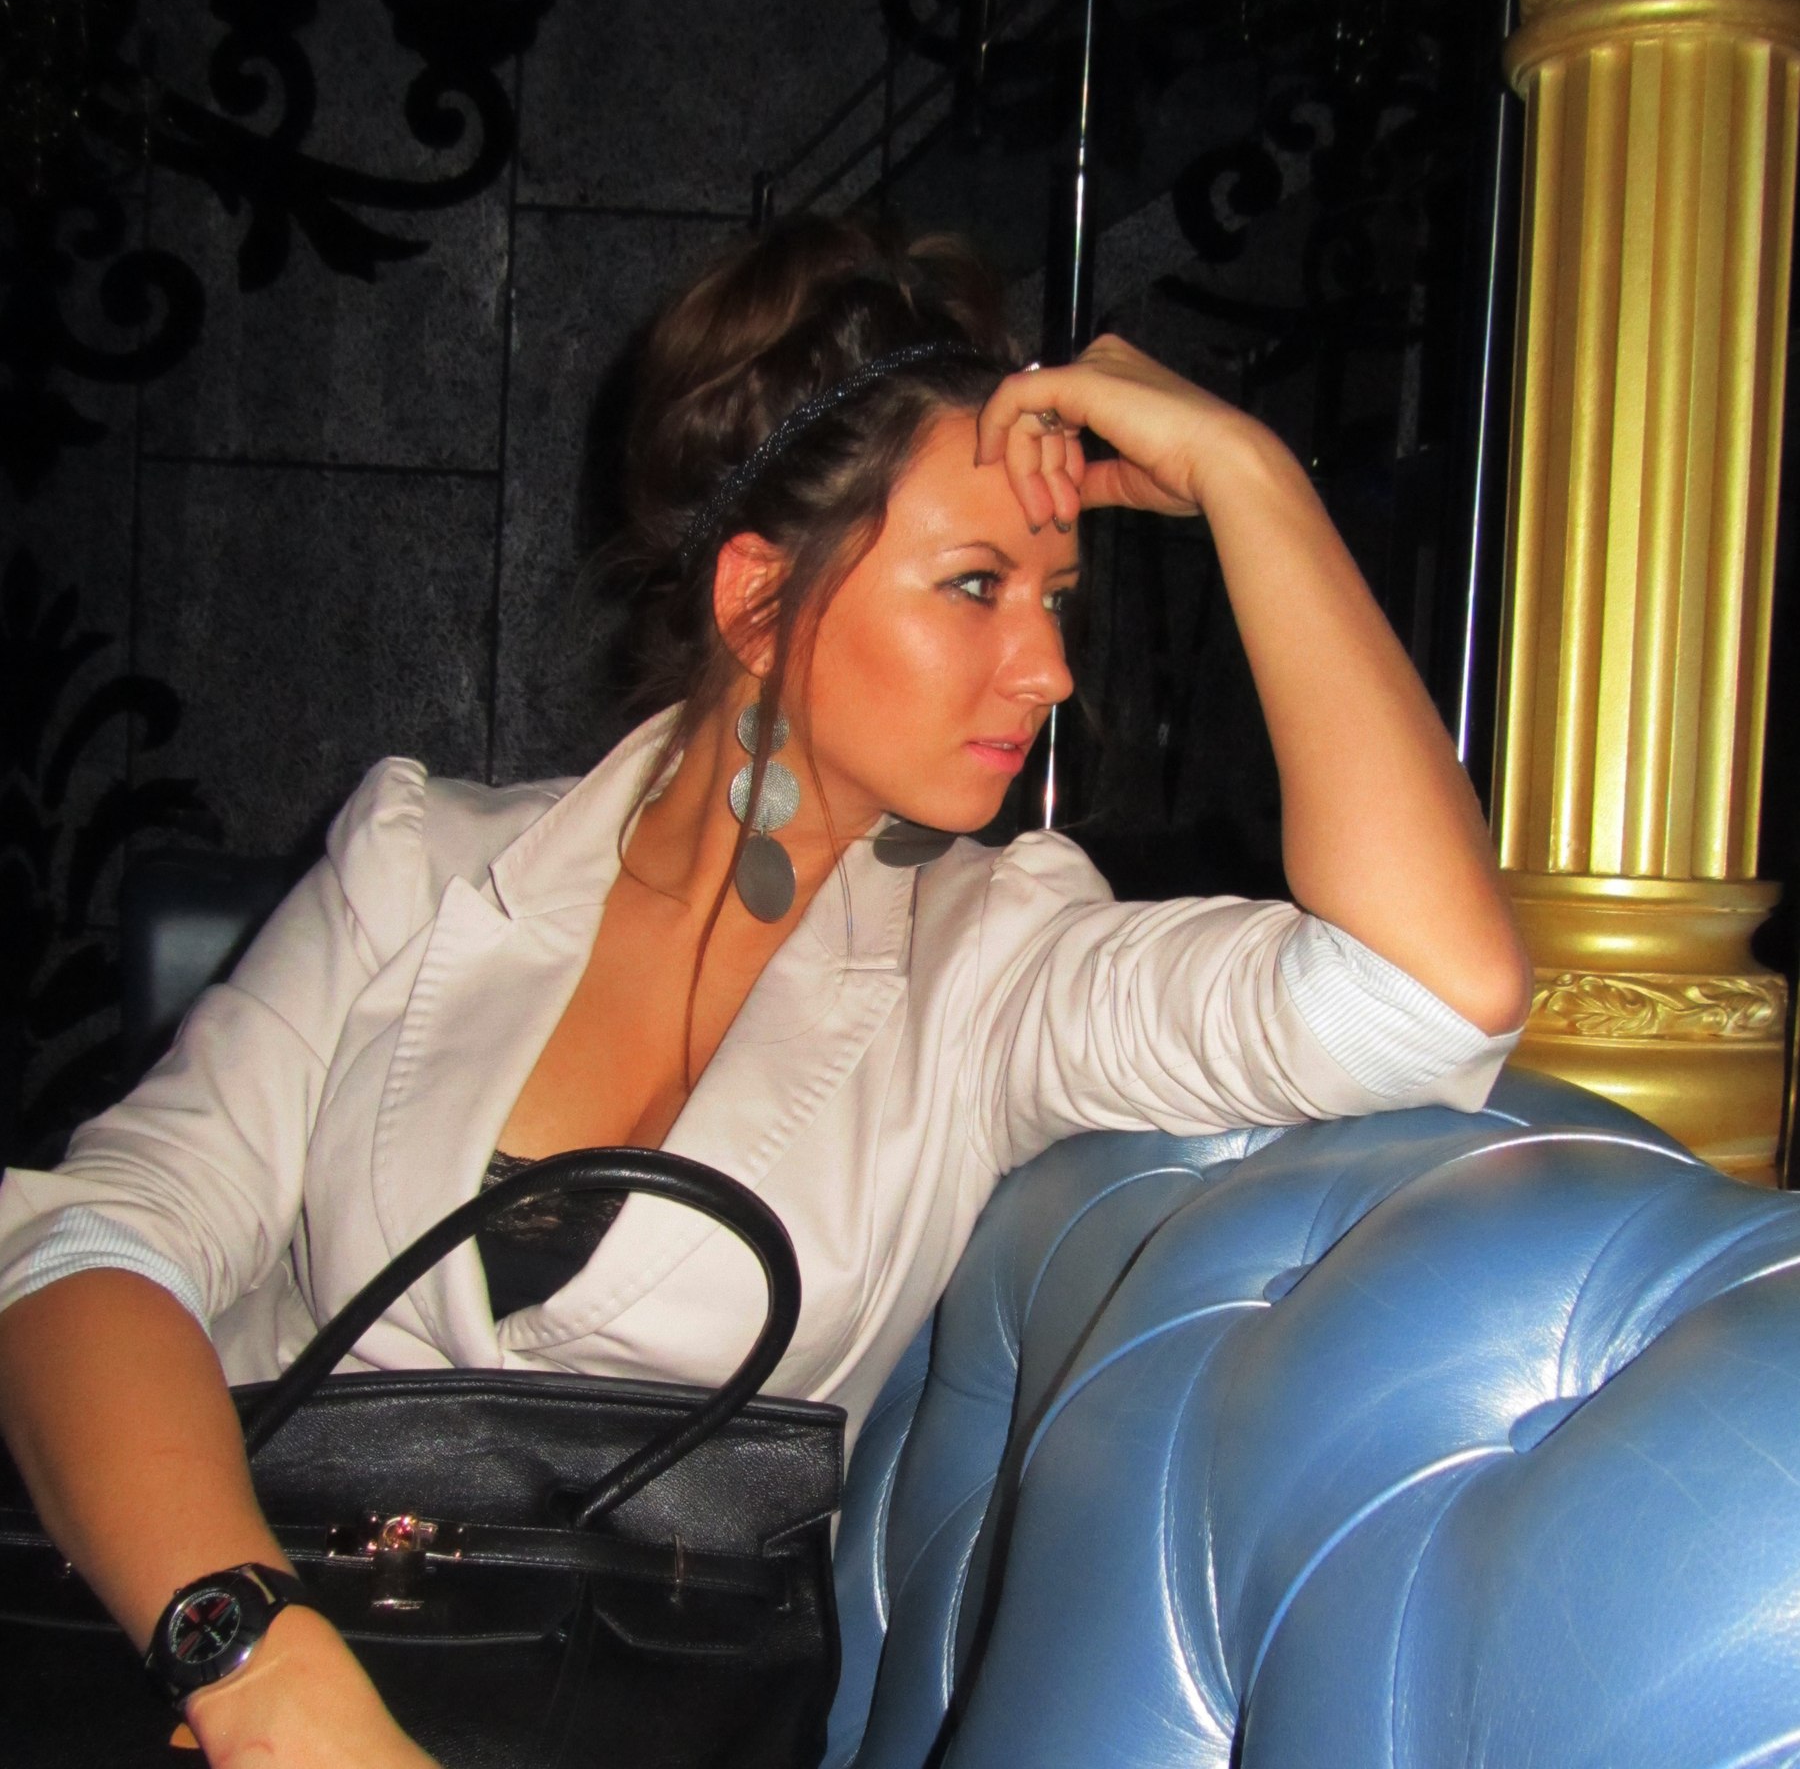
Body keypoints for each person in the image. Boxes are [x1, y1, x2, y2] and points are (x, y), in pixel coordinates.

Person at [0, 214, 1530, 1766]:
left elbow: (1433, 990)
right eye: (976, 585)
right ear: (755, 603)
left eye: (1055, 598)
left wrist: (1252, 481)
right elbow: (91, 1245)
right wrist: (256, 1664)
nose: (1049, 669)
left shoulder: (990, 964)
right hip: (227, 1678)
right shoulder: (421, 863)